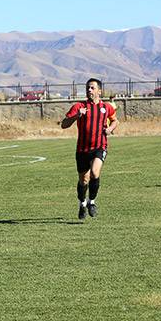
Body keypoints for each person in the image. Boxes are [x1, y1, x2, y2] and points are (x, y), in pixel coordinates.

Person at [60, 78, 118, 220]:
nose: (89, 90)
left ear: (99, 91)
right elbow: (64, 124)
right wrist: (76, 116)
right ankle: (82, 203)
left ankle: (92, 202)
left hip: (99, 146)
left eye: (92, 88)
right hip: (82, 150)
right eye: (88, 88)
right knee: (83, 180)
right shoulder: (78, 106)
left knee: (94, 172)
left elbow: (115, 120)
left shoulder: (107, 107)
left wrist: (110, 129)